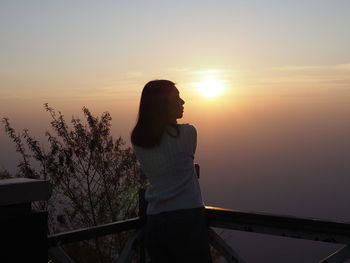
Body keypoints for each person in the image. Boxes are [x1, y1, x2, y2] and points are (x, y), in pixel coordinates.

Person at [131, 80, 212, 263]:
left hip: (155, 221)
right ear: (162, 105)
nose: (183, 102)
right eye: (176, 98)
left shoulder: (138, 139)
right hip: (188, 219)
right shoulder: (188, 133)